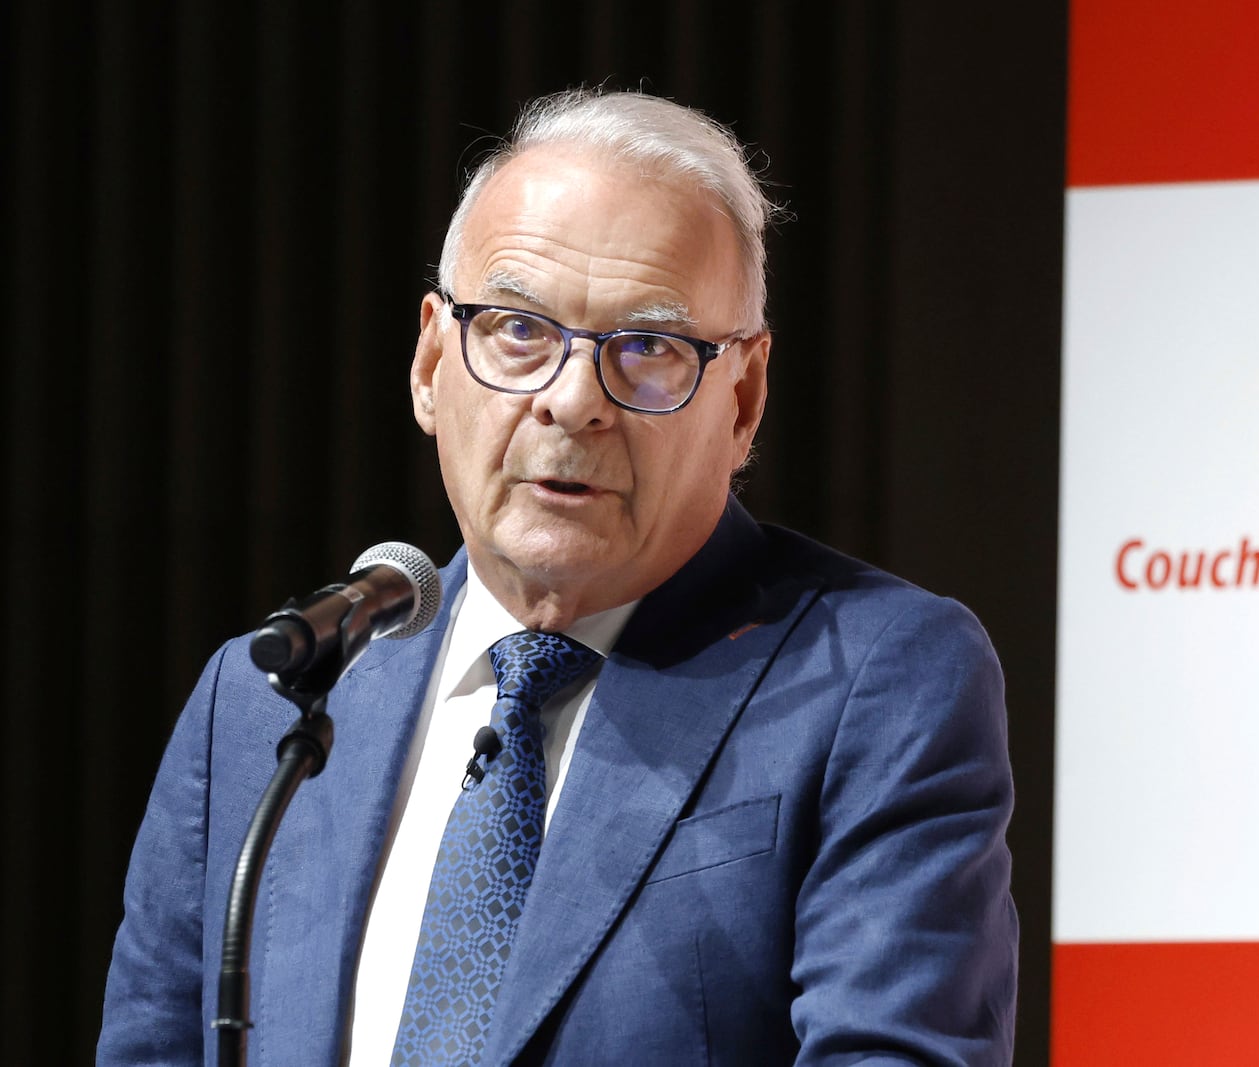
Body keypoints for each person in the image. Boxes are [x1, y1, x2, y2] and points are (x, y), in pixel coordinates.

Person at [99, 88, 1017, 1066]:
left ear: (743, 394)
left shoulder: (875, 677)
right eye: (518, 330)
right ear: (428, 360)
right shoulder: (264, 702)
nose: (572, 401)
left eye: (650, 347)